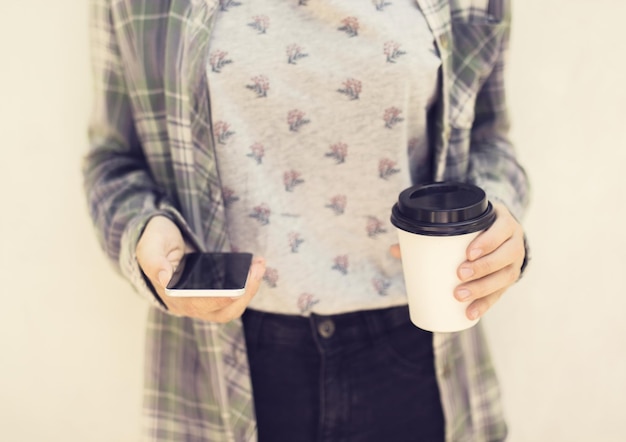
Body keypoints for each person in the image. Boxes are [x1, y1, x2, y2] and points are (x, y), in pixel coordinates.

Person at [83, 0, 529, 441]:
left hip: (418, 345)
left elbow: (490, 140)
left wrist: (496, 226)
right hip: (230, 363)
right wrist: (144, 230)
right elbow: (113, 159)